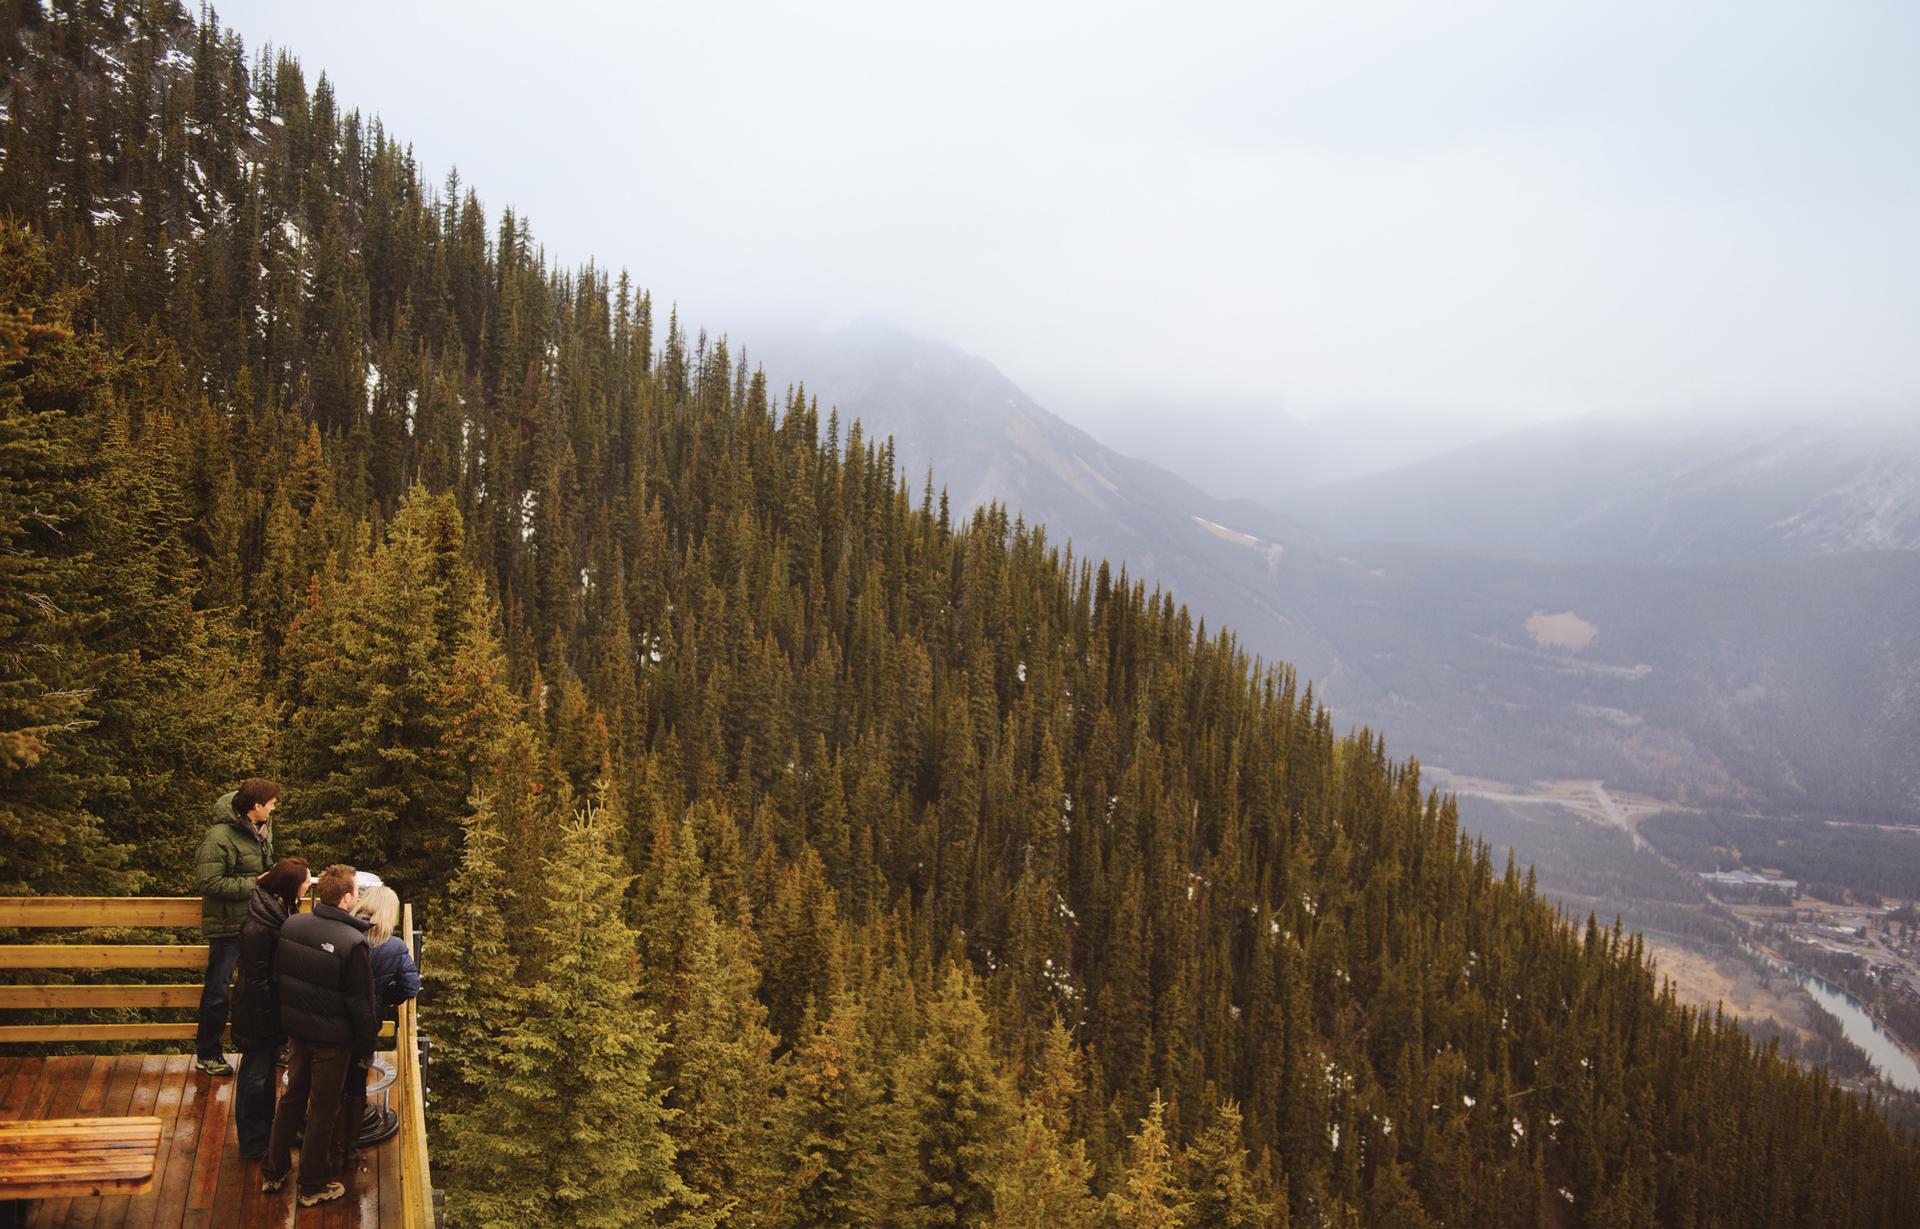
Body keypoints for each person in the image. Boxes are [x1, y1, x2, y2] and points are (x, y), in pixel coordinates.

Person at [262, 863, 375, 1208]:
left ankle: (274, 1170)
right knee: (324, 1110)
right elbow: (362, 1005)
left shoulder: (293, 924)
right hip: (332, 1041)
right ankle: (311, 1185)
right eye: (356, 892)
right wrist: (365, 1047)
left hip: (297, 1033)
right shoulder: (353, 942)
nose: (358, 897)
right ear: (345, 900)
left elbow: (280, 977)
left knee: (292, 1099)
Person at [191, 778, 280, 1077]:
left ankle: (271, 1047)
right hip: (228, 927)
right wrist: (255, 883)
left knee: (264, 986)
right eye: (271, 803)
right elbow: (208, 882)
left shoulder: (264, 830)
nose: (274, 807)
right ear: (256, 807)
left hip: (258, 922)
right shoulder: (218, 837)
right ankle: (208, 1053)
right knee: (218, 991)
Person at [230, 857, 308, 1160]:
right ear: (290, 886)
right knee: (254, 1077)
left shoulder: (275, 910)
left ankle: (266, 1135)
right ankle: (253, 1144)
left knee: (263, 1077)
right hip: (257, 1012)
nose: (308, 886)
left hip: (269, 1010)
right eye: (305, 882)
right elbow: (256, 978)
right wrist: (273, 1014)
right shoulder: (259, 926)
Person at [339, 884, 418, 1150]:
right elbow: (410, 987)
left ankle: (325, 1138)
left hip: (331, 1016)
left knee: (328, 1076)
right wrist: (383, 997)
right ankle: (348, 1147)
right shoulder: (394, 946)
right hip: (365, 1023)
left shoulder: (342, 932)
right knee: (356, 1080)